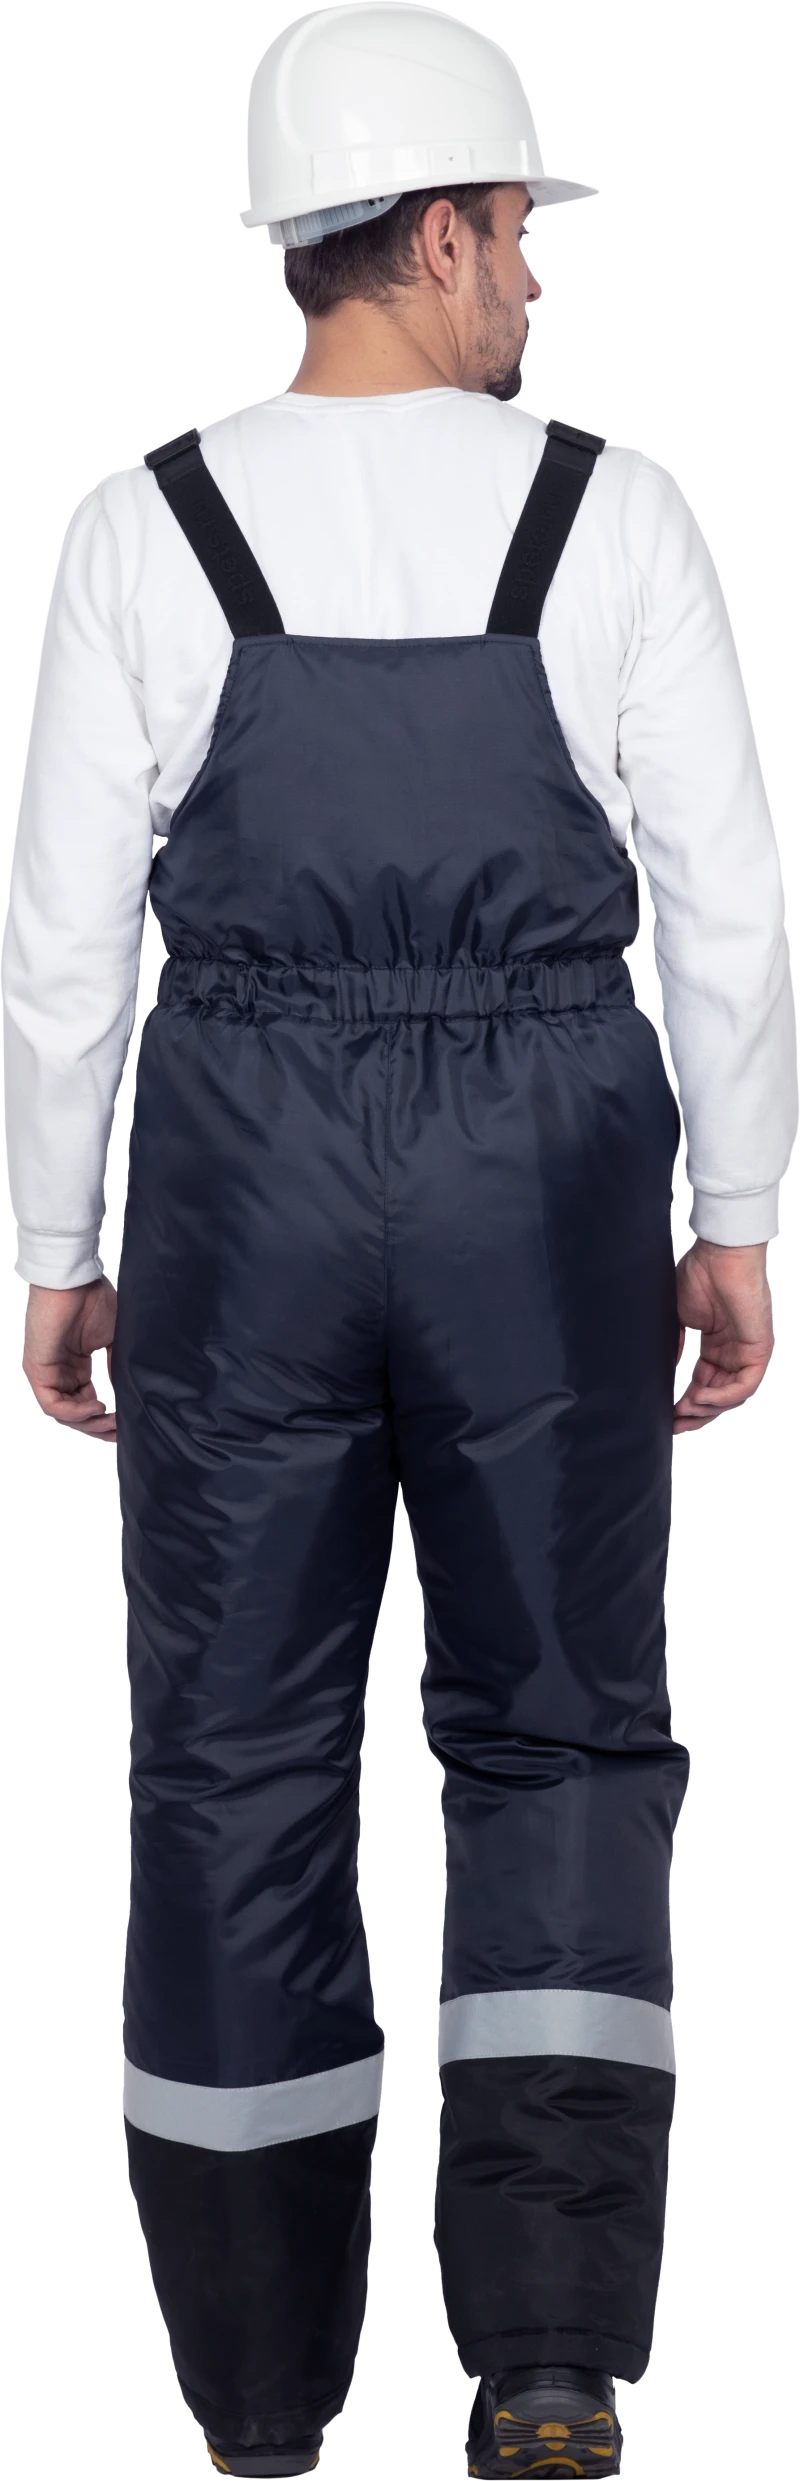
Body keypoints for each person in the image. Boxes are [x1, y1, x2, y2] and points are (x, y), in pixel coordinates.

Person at [5, 6, 784, 2476]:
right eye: (524, 234)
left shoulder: (141, 522)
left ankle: (257, 2400)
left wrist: (57, 1241)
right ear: (443, 230)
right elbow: (727, 906)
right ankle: (549, 2364)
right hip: (543, 1158)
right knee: (558, 1727)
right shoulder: (618, 512)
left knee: (232, 1747)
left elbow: (63, 936)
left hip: (237, 1157)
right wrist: (736, 1215)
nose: (532, 277)